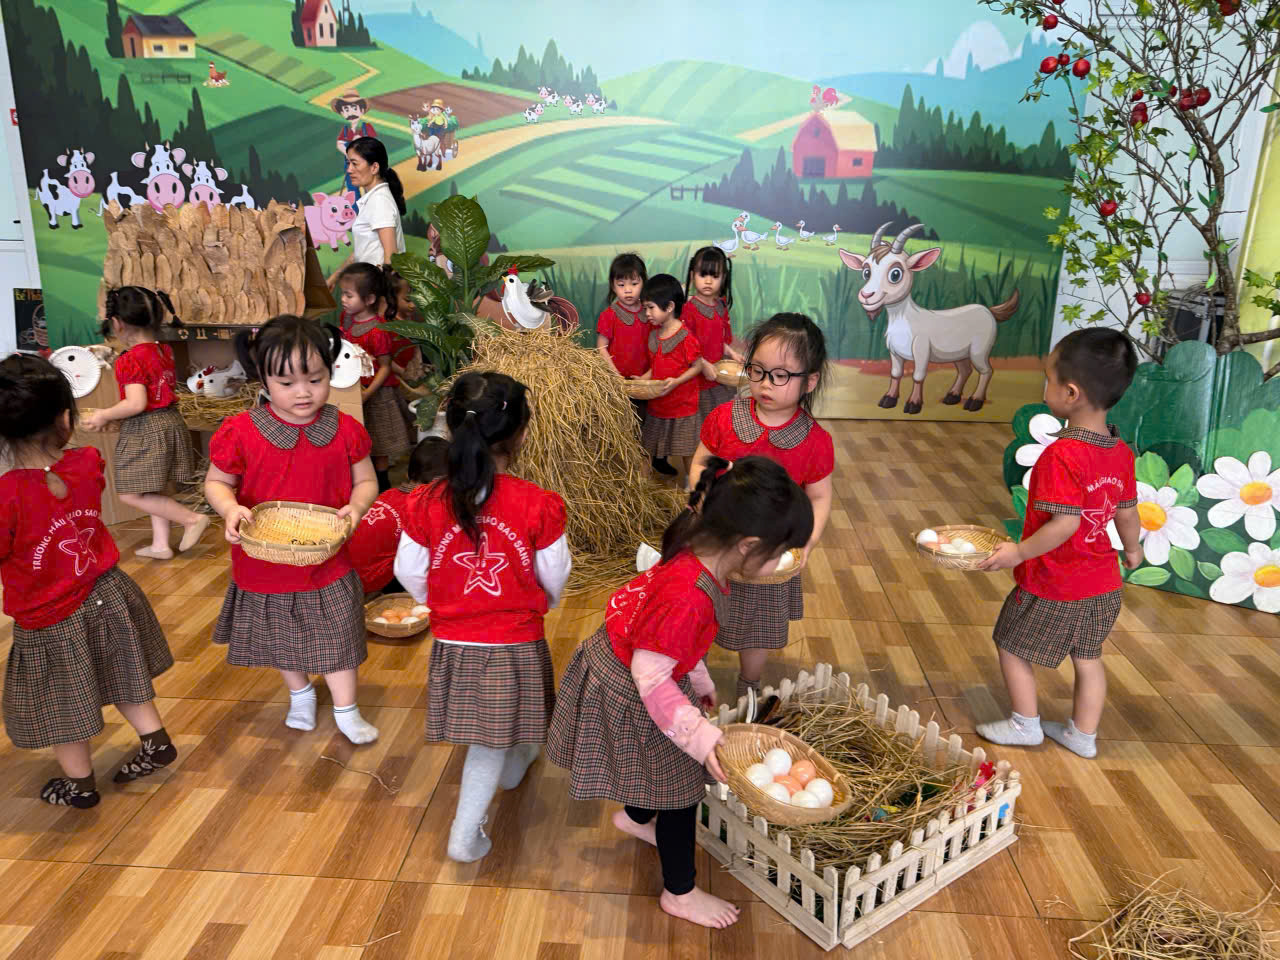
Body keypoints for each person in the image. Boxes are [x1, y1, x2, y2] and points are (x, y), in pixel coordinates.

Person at [546, 456, 812, 929]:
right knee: (680, 790)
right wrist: (700, 737)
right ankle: (680, 893)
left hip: (633, 667)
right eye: (779, 552)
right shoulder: (689, 595)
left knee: (653, 767)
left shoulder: (695, 547)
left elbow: (669, 645)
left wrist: (699, 680)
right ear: (748, 545)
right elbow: (651, 676)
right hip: (634, 684)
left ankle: (635, 818)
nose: (780, 562)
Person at [394, 371, 571, 863]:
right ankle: (464, 835)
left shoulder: (424, 501)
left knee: (500, 724)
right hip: (512, 640)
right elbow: (555, 571)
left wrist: (440, 601)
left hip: (454, 639)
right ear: (520, 434)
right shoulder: (537, 503)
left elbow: (407, 570)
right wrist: (546, 601)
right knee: (488, 742)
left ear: (451, 426)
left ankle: (516, 766)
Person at [0, 354, 178, 809]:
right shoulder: (87, 461)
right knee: (123, 673)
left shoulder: (7, 495)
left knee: (65, 703)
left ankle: (80, 786)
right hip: (107, 592)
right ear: (65, 418)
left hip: (50, 616)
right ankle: (155, 741)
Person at [204, 315, 380, 745]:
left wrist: (357, 508)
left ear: (330, 372)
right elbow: (216, 482)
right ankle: (300, 694)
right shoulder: (240, 431)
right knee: (280, 636)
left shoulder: (345, 428)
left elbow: (366, 480)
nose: (303, 392)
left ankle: (346, 709)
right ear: (262, 378)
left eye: (315, 379)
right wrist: (229, 509)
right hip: (265, 561)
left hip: (327, 557)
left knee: (339, 634)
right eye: (286, 383)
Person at [976, 329, 1142, 759]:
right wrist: (1133, 550)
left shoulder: (1062, 455)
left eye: (1047, 379)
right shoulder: (1120, 451)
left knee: (1011, 644)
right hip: (1104, 583)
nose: (1044, 387)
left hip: (1057, 582)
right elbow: (1126, 512)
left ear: (1070, 393)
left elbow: (1065, 524)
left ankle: (1024, 724)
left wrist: (1018, 552)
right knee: (1088, 658)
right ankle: (1082, 736)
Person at [689, 313, 834, 701]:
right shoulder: (726, 417)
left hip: (770, 552)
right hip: (717, 541)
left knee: (758, 625)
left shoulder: (815, 440)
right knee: (698, 611)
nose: (766, 383)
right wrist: (702, 500)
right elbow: (701, 461)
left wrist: (807, 542)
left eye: (781, 375)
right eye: (757, 370)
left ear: (810, 381)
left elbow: (820, 497)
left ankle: (749, 685)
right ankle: (691, 676)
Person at [81, 287, 208, 559]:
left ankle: (191, 519)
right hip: (170, 421)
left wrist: (104, 414)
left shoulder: (130, 359)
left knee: (130, 493)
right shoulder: (163, 350)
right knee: (154, 488)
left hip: (147, 427)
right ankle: (161, 544)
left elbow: (136, 403)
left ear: (117, 323)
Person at [336, 263, 416, 491]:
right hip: (354, 390)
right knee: (358, 439)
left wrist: (368, 394)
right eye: (343, 294)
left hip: (378, 395)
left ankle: (382, 487)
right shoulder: (348, 319)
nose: (343, 299)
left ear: (370, 299)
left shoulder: (378, 331)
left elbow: (385, 367)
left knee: (379, 444)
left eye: (349, 295)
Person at [348, 436, 448, 595]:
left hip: (346, 575)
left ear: (408, 474)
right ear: (441, 484)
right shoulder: (422, 510)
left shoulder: (388, 494)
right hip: (366, 582)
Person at [638, 273, 703, 483]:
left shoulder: (685, 337)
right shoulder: (653, 335)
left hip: (682, 407)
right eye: (645, 308)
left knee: (687, 451)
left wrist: (677, 382)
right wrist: (641, 380)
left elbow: (698, 366)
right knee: (646, 448)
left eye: (651, 307)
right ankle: (641, 488)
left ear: (669, 307)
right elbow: (655, 368)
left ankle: (694, 487)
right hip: (658, 406)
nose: (647, 313)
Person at [327, 137, 406, 285]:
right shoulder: (373, 199)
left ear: (374, 167)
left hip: (376, 292)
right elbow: (363, 249)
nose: (349, 170)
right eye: (348, 163)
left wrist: (382, 296)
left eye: (355, 163)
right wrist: (334, 278)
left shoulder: (380, 201)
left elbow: (391, 258)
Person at [681, 246, 744, 431]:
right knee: (701, 423)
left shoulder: (720, 306)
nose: (708, 281)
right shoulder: (689, 309)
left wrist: (732, 353)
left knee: (721, 419)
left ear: (723, 278)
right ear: (692, 275)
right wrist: (702, 364)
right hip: (697, 378)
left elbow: (717, 339)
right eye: (703, 275)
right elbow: (684, 345)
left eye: (715, 276)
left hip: (718, 375)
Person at [596, 252, 650, 418]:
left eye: (634, 283)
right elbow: (601, 348)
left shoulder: (650, 312)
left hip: (647, 382)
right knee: (623, 421)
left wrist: (648, 376)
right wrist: (616, 376)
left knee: (646, 422)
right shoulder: (609, 315)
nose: (628, 290)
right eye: (621, 285)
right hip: (618, 383)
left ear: (643, 283)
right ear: (613, 286)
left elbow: (660, 346)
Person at [331, 91, 376, 214]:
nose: (351, 113)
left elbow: (373, 144)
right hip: (350, 166)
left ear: (362, 110)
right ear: (342, 112)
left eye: (354, 108)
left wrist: (361, 142)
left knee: (369, 188)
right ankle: (355, 214)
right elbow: (339, 144)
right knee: (352, 191)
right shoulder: (346, 130)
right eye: (346, 109)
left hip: (366, 166)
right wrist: (348, 154)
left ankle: (370, 213)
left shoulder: (366, 127)